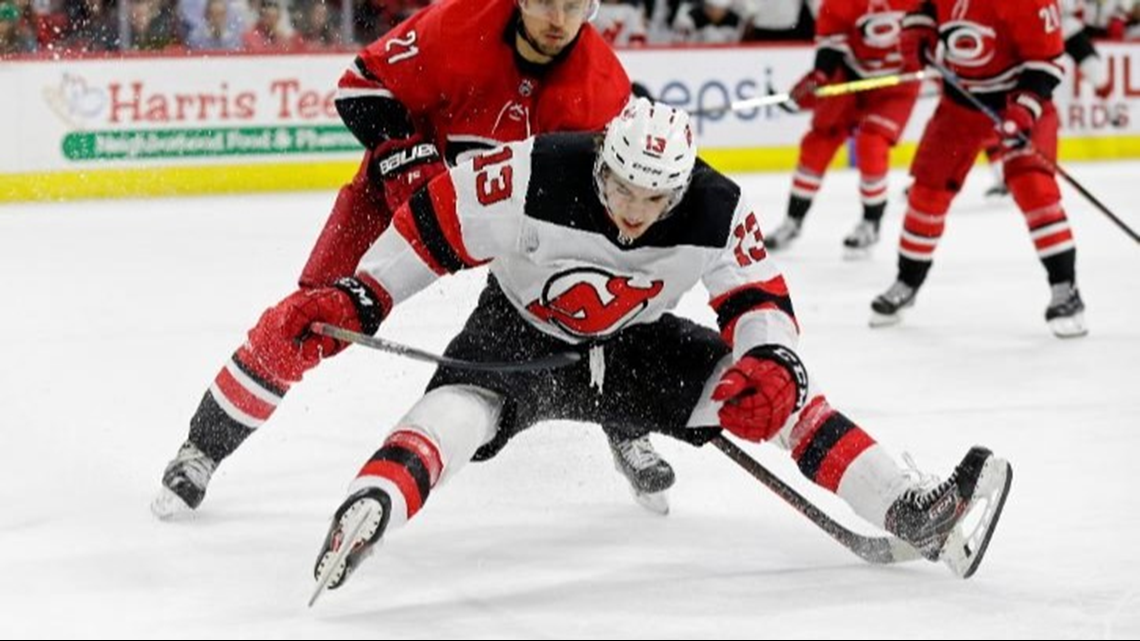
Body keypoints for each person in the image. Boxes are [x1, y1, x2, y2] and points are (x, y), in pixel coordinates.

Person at [249, 98, 1012, 594]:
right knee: (459, 410)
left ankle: (917, 513)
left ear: (680, 186)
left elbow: (757, 298)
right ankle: (374, 500)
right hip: (516, 332)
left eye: (655, 199)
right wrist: (360, 295)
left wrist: (773, 358)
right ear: (602, 160)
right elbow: (430, 223)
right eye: (620, 188)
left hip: (637, 347)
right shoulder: (532, 172)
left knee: (778, 402)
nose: (634, 212)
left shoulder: (717, 207)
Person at [151, 0, 677, 521]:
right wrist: (408, 161)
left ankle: (626, 423)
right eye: (544, 2)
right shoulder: (456, 23)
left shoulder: (603, 88)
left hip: (515, 226)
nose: (558, 22)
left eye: (572, 5)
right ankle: (200, 451)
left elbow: (604, 201)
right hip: (396, 202)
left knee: (600, 300)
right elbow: (363, 88)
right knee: (309, 319)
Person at [870, 0, 1088, 338]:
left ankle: (1065, 287)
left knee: (1034, 187)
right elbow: (924, 6)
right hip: (961, 101)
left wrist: (1024, 112)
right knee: (927, 191)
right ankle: (907, 281)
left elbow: (1048, 62)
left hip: (1018, 102)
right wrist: (919, 26)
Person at [765, 0, 922, 258]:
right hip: (851, 76)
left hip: (897, 84)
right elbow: (831, 45)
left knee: (871, 143)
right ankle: (793, 221)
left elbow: (937, 25)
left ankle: (871, 223)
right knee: (818, 143)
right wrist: (821, 76)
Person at [980, 0, 1115, 200]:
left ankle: (1112, 112)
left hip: (1061, 23)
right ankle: (1003, 174)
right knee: (994, 104)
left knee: (1095, 72)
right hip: (1028, 26)